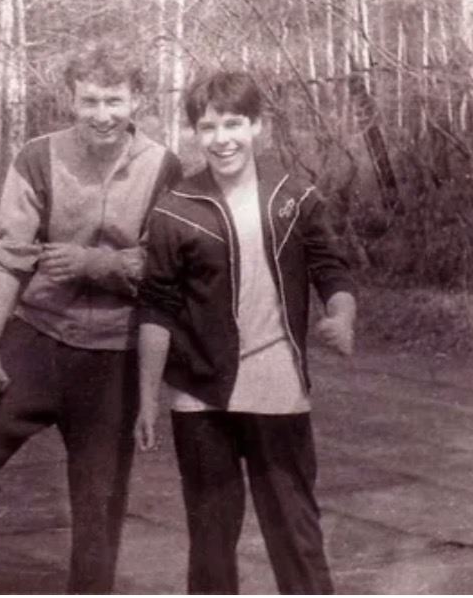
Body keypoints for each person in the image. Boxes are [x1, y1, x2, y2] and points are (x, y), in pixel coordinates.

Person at [0, 39, 183, 594]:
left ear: (136, 100)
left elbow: (165, 267)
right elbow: (11, 255)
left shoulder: (165, 167)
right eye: (89, 101)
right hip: (37, 335)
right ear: (70, 99)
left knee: (99, 500)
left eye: (114, 100)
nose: (102, 115)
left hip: (114, 351)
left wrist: (95, 263)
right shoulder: (37, 157)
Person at [135, 70, 357, 594]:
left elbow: (332, 270)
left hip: (278, 387)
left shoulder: (293, 198)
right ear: (194, 133)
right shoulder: (175, 208)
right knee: (211, 544)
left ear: (258, 125)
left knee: (296, 536)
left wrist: (341, 317)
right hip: (200, 397)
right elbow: (157, 306)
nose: (222, 139)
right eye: (208, 127)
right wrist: (147, 400)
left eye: (234, 124)